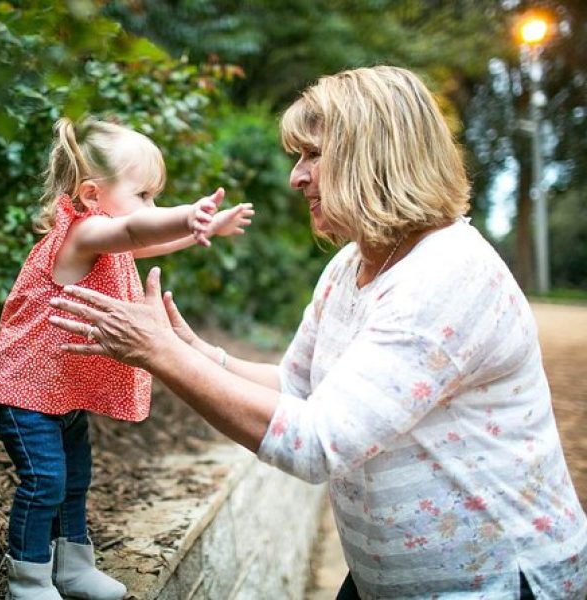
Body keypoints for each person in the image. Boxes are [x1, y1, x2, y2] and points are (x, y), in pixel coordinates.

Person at [47, 66, 587, 600]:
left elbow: (316, 443)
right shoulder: (355, 262)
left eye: (312, 154)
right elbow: (297, 385)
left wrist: (161, 354)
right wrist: (201, 354)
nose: (296, 177)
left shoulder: (447, 276)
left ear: (375, 153)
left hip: (498, 582)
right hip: (392, 581)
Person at [0, 117, 254, 600]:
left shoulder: (110, 238)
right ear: (90, 197)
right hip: (20, 392)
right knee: (44, 481)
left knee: (75, 478)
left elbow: (143, 233)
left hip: (56, 392)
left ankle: (73, 567)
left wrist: (200, 229)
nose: (152, 207)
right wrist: (189, 212)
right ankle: (28, 579)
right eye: (144, 194)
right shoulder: (82, 236)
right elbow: (135, 228)